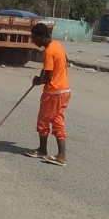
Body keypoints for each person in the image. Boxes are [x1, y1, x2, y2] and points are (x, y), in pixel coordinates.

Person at [25, 23, 70, 166]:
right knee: (57, 120)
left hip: (53, 92)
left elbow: (48, 77)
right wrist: (42, 75)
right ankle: (61, 156)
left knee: (43, 120)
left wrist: (38, 81)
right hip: (65, 91)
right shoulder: (57, 45)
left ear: (42, 37)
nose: (33, 41)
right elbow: (57, 64)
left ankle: (42, 150)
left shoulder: (49, 52)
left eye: (34, 37)